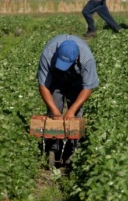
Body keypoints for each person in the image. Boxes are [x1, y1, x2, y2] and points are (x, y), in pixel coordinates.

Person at [37, 34, 99, 165]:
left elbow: (88, 87)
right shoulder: (48, 53)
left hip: (76, 82)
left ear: (76, 58)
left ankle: (72, 149)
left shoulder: (87, 58)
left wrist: (72, 110)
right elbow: (43, 85)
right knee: (54, 114)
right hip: (55, 80)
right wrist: (55, 111)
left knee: (75, 116)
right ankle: (53, 147)